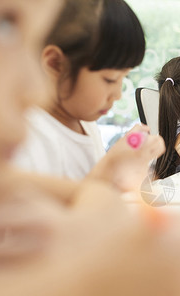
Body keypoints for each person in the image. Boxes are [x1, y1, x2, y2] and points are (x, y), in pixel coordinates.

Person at [0, 0, 180, 296]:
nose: (36, 89)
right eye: (109, 79)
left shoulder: (83, 128)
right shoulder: (19, 143)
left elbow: (89, 198)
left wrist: (112, 171)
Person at [13, 0, 163, 193]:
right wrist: (108, 169)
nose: (117, 95)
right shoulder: (26, 135)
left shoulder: (87, 125)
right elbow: (43, 217)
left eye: (123, 78)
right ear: (56, 64)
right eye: (110, 79)